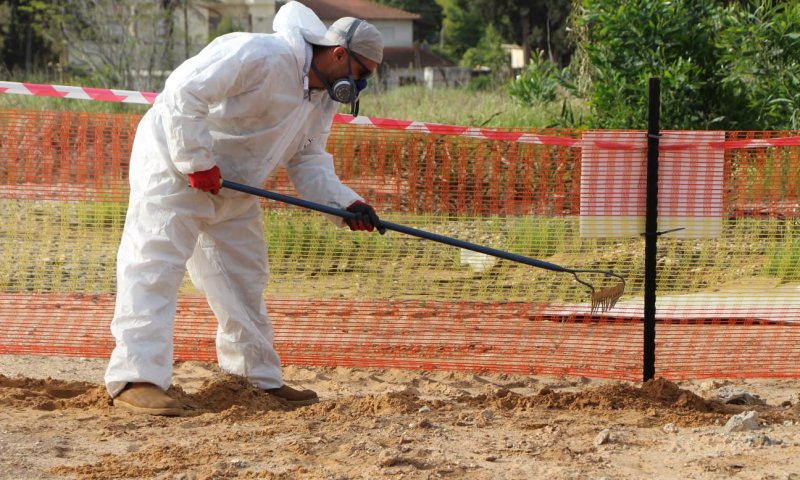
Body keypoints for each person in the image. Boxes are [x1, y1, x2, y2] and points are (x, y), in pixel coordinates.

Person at [105, 1, 386, 416]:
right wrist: (195, 161)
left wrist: (346, 204)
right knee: (153, 266)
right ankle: (135, 379)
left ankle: (255, 380)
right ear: (339, 54)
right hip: (173, 171)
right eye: (361, 74)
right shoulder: (261, 54)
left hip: (234, 188)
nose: (358, 86)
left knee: (243, 279)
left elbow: (308, 159)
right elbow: (185, 90)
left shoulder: (321, 100)